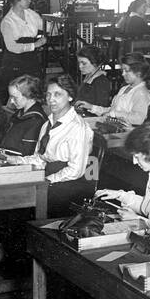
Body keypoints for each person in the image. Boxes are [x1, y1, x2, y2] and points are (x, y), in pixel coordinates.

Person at [27, 74, 95, 216]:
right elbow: (39, 159)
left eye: (57, 94)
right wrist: (15, 161)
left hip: (68, 184)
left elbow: (76, 170)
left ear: (70, 97)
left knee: (25, 205)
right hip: (50, 176)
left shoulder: (77, 127)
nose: (51, 100)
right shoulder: (47, 124)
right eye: (48, 95)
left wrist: (47, 180)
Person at [0, 0, 48, 92]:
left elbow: (44, 26)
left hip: (31, 60)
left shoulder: (31, 13)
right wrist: (35, 45)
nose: (30, 0)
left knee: (34, 90)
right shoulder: (7, 21)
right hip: (14, 62)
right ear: (17, 0)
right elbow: (12, 47)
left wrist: (58, 24)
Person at [79, 56, 150, 126]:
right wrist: (91, 107)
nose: (123, 74)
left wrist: (114, 114)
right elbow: (112, 110)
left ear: (138, 72)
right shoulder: (124, 88)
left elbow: (138, 118)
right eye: (122, 71)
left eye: (126, 71)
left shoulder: (141, 93)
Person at [0, 75, 47, 156]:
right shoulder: (18, 114)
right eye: (10, 97)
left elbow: (27, 153)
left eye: (15, 97)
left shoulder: (36, 120)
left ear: (28, 95)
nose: (12, 101)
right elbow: (6, 140)